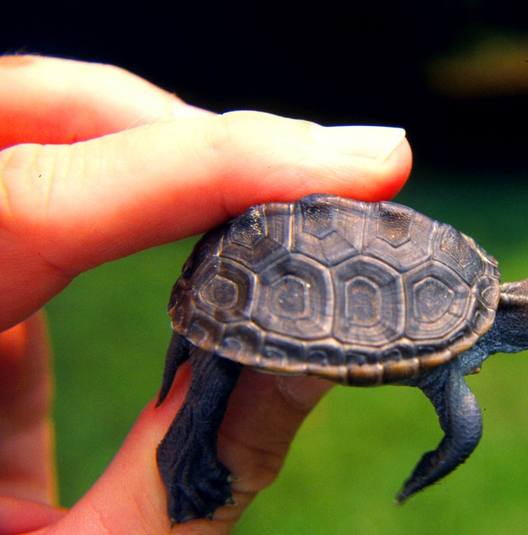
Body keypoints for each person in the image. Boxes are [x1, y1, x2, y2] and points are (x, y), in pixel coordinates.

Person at [0, 55, 412, 534]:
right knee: (211, 391)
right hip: (246, 286)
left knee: (210, 379)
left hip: (239, 273)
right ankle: (186, 471)